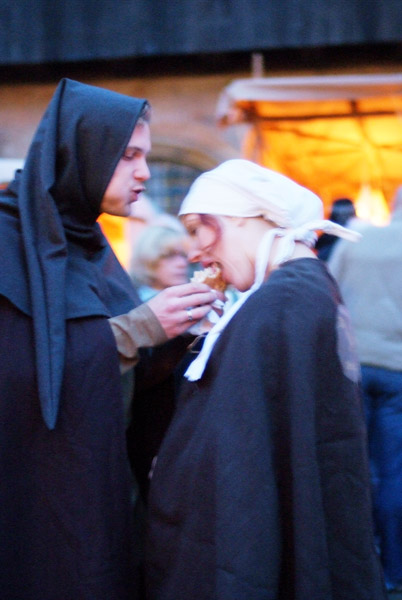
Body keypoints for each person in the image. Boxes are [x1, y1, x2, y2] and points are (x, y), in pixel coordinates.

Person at [0, 78, 218, 600]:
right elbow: (17, 373)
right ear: (81, 152)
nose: (144, 172)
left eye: (146, 156)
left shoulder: (92, 247)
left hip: (102, 483)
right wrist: (137, 329)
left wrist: (175, 333)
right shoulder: (7, 243)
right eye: (128, 156)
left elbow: (123, 365)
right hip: (36, 499)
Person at [144, 159, 387, 600]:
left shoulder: (281, 304)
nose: (195, 252)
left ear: (242, 216)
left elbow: (246, 463)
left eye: (199, 229)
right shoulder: (296, 292)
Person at [328, 186, 402, 594]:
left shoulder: (357, 238)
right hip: (398, 369)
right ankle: (393, 569)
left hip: (352, 365)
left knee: (353, 465)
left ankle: (355, 564)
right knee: (394, 472)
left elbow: (328, 291)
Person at [130, 224, 190, 301]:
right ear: (147, 259)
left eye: (184, 255)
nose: (182, 263)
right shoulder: (134, 303)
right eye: (169, 256)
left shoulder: (194, 299)